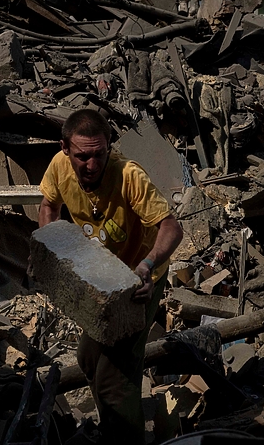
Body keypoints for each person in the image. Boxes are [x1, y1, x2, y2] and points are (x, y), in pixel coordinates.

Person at [37, 109, 183, 441]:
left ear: (109, 148)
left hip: (137, 283)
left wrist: (145, 268)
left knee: (115, 376)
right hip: (102, 281)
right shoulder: (59, 168)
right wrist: (53, 252)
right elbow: (48, 206)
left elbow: (172, 229)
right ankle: (116, 427)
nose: (91, 165)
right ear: (65, 148)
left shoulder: (129, 176)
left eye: (98, 155)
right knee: (89, 358)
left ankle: (124, 438)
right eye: (82, 157)